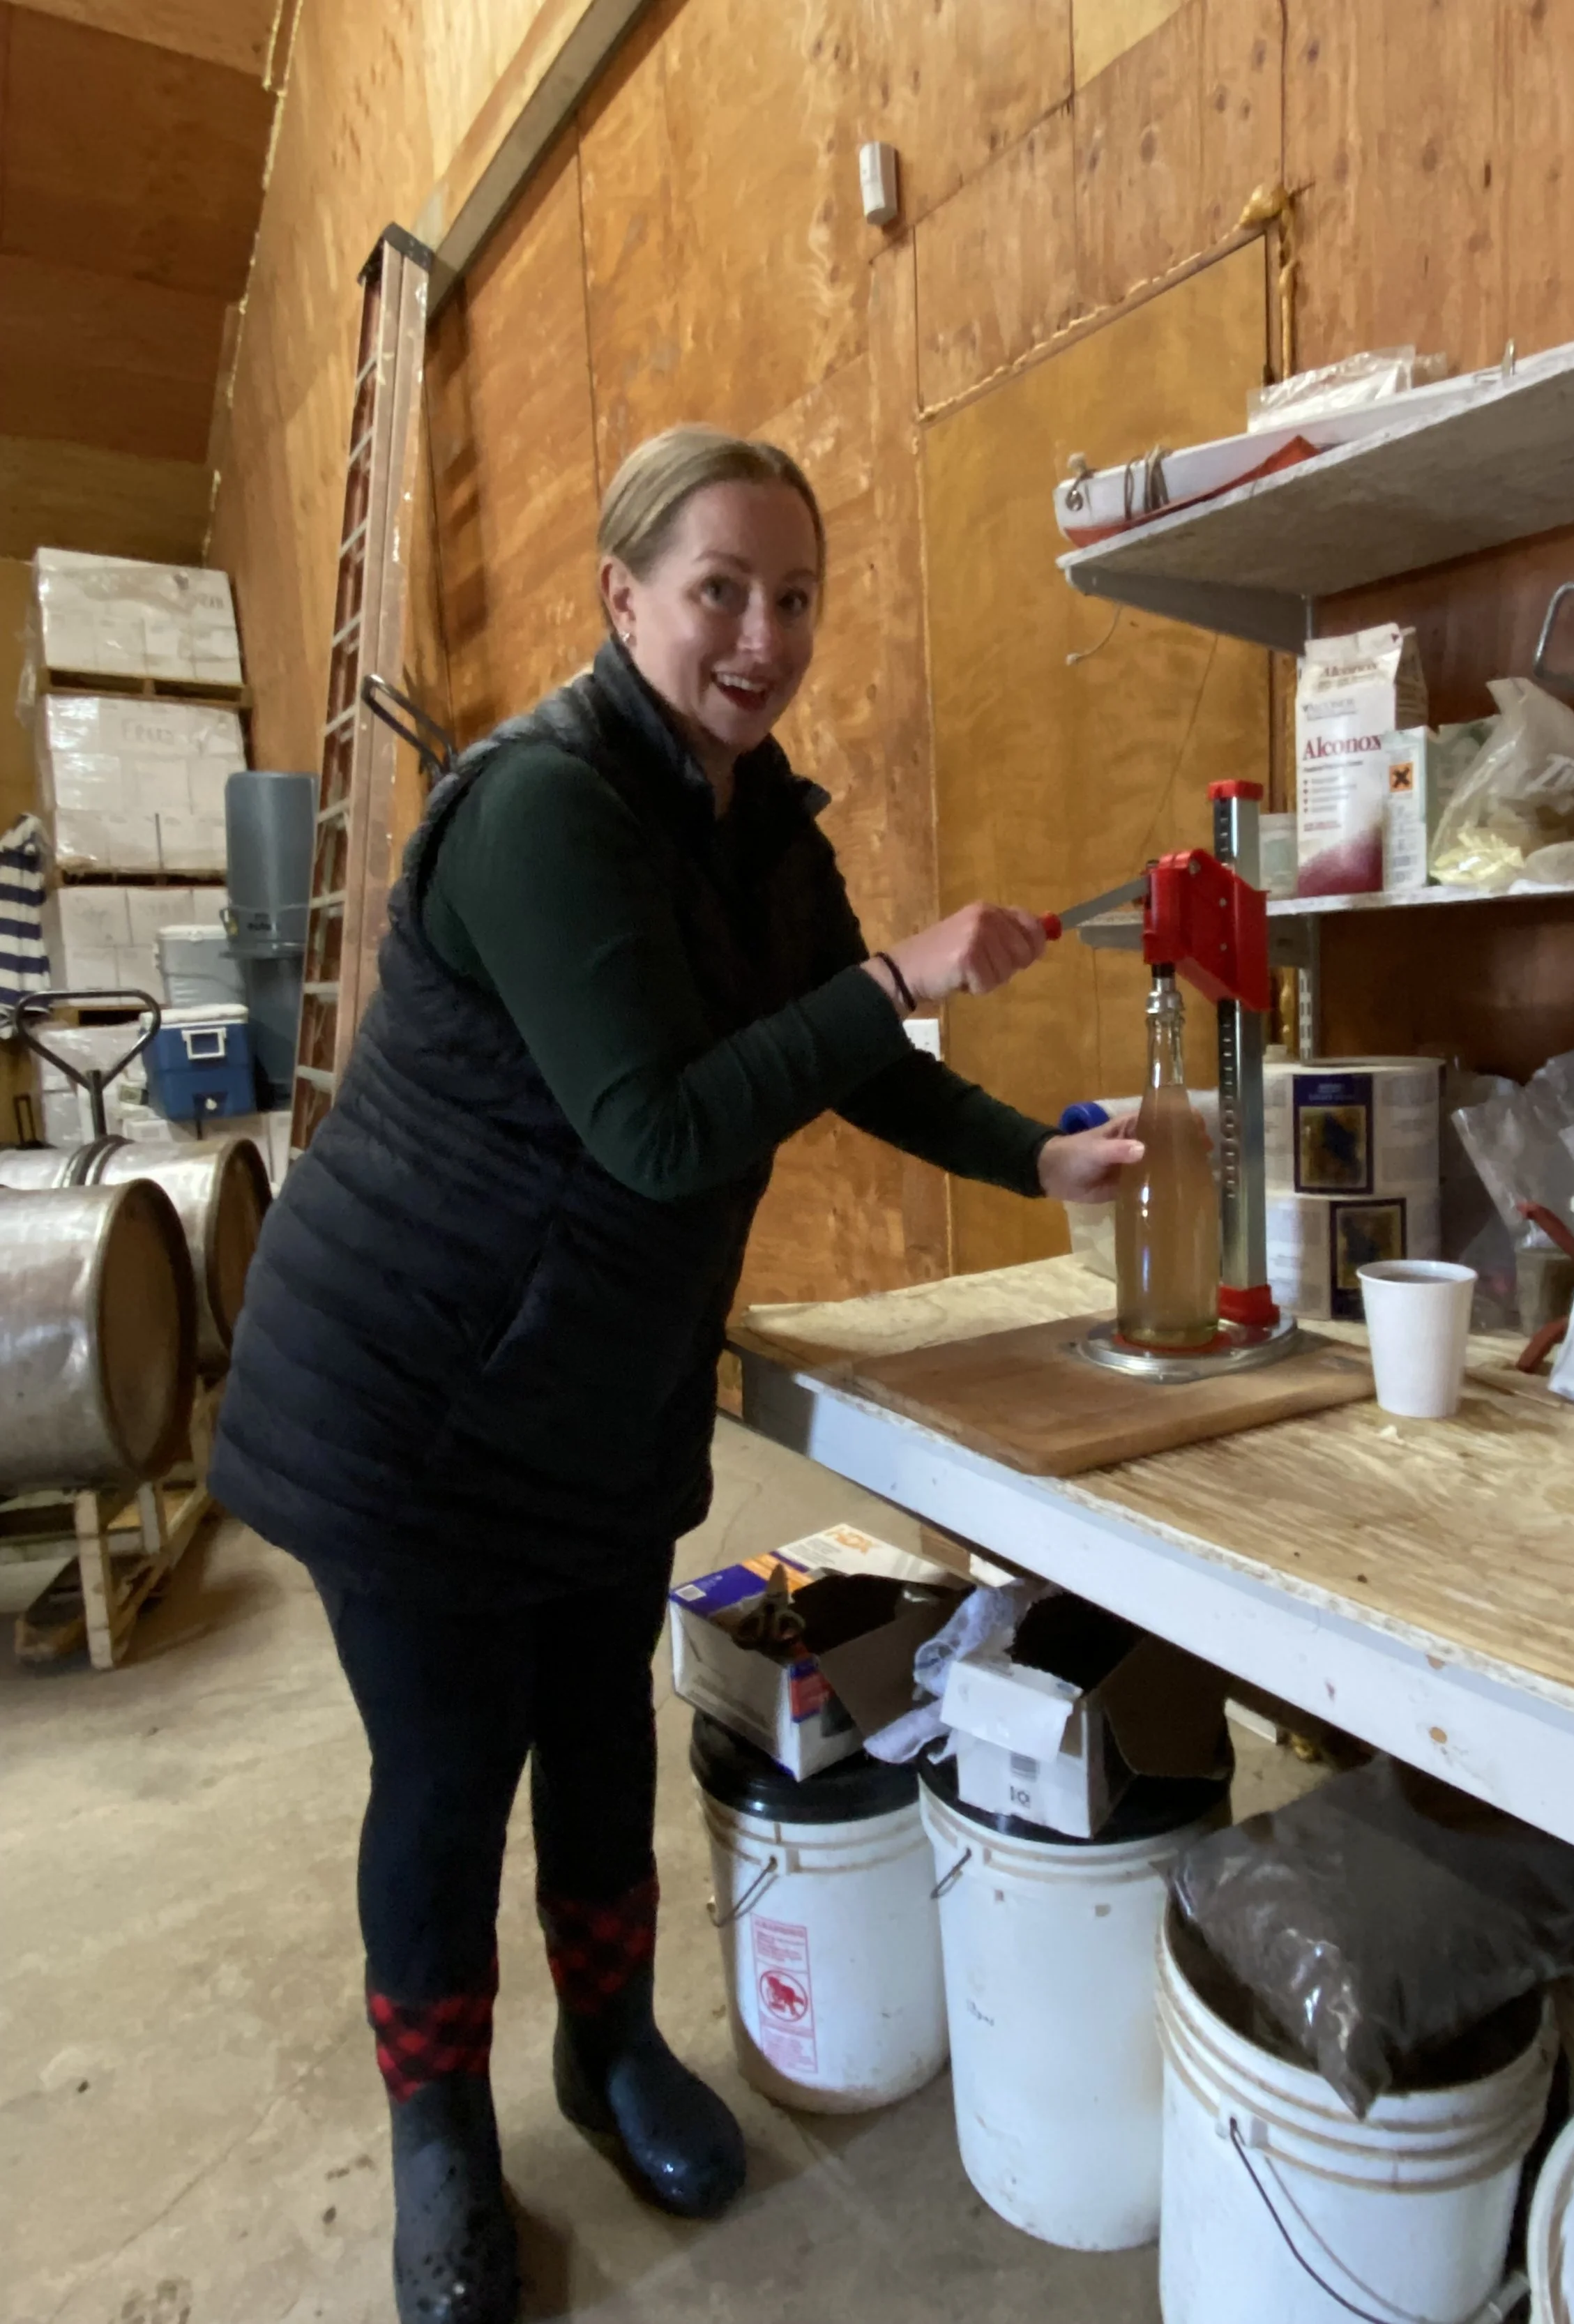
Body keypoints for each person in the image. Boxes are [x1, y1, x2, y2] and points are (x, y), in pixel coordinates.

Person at [211, 425, 1141, 2324]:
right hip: (409, 1390)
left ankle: (611, 2048)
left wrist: (1029, 1158)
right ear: (621, 596)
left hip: (593, 1387)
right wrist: (896, 975)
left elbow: (841, 1054)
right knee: (447, 1777)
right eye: (720, 588)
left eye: (794, 595)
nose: (762, 635)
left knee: (601, 1737)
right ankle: (440, 2134)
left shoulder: (758, 822)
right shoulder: (539, 809)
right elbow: (655, 1126)